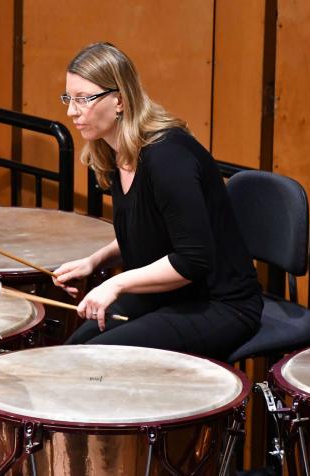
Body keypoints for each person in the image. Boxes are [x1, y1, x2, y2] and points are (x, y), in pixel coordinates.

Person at [53, 42, 263, 360]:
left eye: (84, 99)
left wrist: (117, 283)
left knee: (93, 359)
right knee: (69, 352)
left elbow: (193, 260)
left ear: (120, 100)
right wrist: (94, 262)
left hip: (221, 304)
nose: (71, 111)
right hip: (172, 295)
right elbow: (151, 232)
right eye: (69, 98)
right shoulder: (114, 154)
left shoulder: (168, 158)